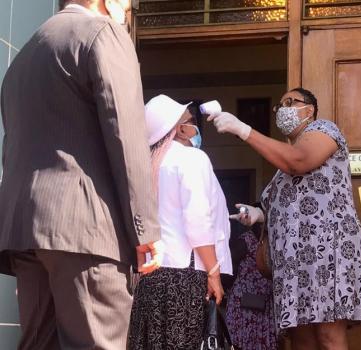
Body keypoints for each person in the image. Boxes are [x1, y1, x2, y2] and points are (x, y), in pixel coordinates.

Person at [0, 0, 162, 348]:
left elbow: (12, 147)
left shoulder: (24, 58)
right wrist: (144, 227)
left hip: (27, 231)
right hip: (87, 228)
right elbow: (126, 134)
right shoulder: (102, 33)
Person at [210, 88, 361, 350]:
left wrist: (243, 130)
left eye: (290, 102)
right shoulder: (278, 174)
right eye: (280, 105)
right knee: (301, 340)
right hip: (294, 266)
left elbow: (299, 160)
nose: (283, 109)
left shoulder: (325, 130)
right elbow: (282, 204)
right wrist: (258, 214)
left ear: (310, 109)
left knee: (329, 337)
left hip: (327, 255)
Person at [128, 95, 232, 349]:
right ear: (179, 129)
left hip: (151, 279)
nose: (194, 126)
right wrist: (213, 272)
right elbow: (198, 222)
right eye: (190, 121)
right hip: (185, 279)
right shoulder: (192, 159)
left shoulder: (145, 165)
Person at [225, 221, 278, 350]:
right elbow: (228, 262)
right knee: (241, 342)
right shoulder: (246, 240)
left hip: (264, 304)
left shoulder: (274, 240)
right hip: (245, 303)